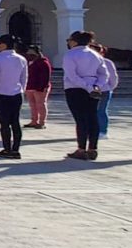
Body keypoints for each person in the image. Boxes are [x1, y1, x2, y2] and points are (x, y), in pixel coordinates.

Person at [62, 31, 108, 160]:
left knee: (80, 119)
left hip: (75, 88)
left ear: (74, 41)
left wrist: (87, 86)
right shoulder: (96, 55)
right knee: (92, 117)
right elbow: (104, 74)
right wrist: (97, 85)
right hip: (93, 87)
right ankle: (93, 148)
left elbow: (72, 75)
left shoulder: (71, 55)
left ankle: (81, 149)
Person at [0, 35, 29, 159]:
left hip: (1, 94)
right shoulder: (21, 59)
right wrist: (22, 90)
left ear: (3, 44)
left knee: (4, 123)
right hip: (16, 94)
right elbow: (24, 78)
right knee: (15, 121)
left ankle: (7, 148)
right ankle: (16, 149)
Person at [23, 46, 52, 129]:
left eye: (31, 53)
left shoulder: (43, 62)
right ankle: (34, 121)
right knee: (32, 105)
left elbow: (46, 76)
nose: (29, 54)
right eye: (28, 53)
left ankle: (42, 122)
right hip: (29, 87)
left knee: (41, 105)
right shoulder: (28, 62)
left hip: (40, 87)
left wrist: (43, 87)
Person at [96, 44, 119, 139]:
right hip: (89, 90)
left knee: (101, 111)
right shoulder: (88, 63)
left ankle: (102, 131)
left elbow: (113, 77)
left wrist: (110, 87)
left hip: (104, 90)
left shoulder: (107, 63)